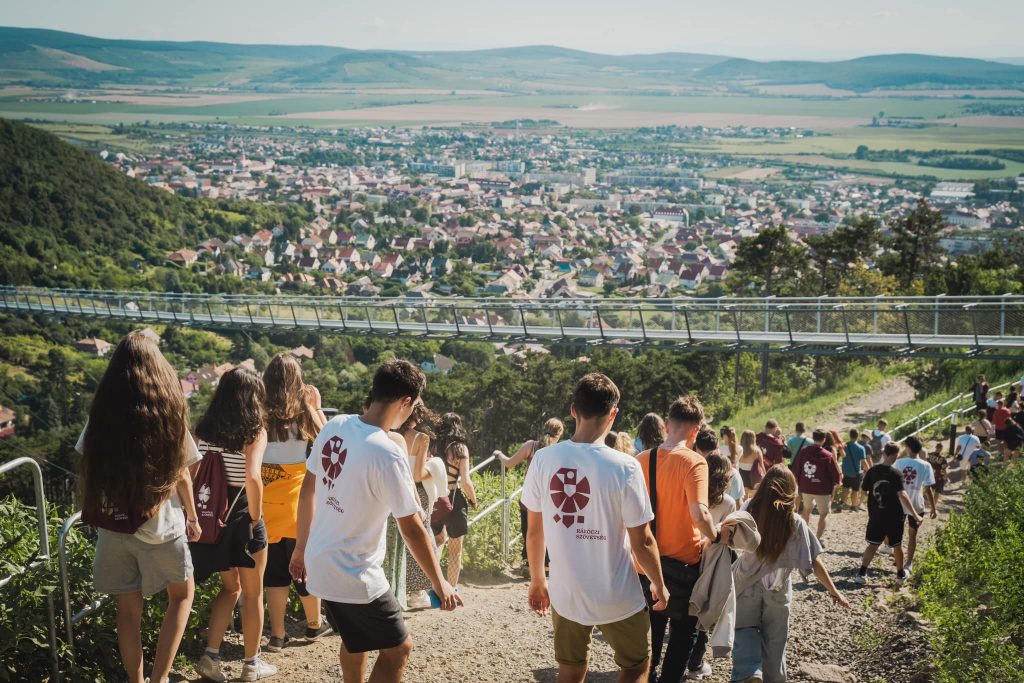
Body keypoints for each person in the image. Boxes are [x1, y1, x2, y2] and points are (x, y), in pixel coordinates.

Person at [289, 359, 461, 683]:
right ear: (405, 402)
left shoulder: (334, 426)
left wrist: (300, 548)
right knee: (399, 648)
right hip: (355, 572)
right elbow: (411, 528)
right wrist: (441, 583)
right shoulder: (386, 451)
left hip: (320, 562)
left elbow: (308, 490)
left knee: (355, 641)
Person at [522, 373, 669, 683]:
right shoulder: (626, 466)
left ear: (573, 410)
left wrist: (538, 579)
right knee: (637, 665)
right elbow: (642, 541)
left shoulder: (543, 460)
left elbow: (535, 532)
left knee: (571, 669)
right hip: (618, 594)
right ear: (612, 414)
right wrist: (658, 582)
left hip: (567, 593)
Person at [76, 331, 201, 683]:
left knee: (127, 612)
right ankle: (160, 678)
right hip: (162, 528)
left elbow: (86, 459)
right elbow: (183, 475)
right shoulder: (167, 415)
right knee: (182, 595)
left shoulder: (101, 417)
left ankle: (136, 680)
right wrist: (192, 516)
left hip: (114, 527)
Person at [636, 396, 733, 683]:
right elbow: (700, 514)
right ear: (696, 429)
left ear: (667, 425)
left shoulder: (641, 460)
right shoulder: (695, 462)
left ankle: (647, 676)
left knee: (650, 628)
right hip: (683, 564)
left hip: (645, 561)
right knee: (683, 630)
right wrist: (716, 534)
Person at [190, 368, 274, 681]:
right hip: (241, 516)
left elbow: (192, 469)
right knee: (253, 594)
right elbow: (252, 477)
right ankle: (251, 664)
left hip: (210, 515)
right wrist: (256, 520)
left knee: (230, 587)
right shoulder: (254, 430)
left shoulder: (204, 427)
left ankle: (210, 657)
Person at [732, 466, 849, 683]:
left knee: (744, 630)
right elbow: (814, 561)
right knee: (775, 643)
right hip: (777, 589)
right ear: (790, 492)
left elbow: (729, 537)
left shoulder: (749, 508)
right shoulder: (795, 522)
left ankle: (749, 673)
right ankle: (773, 678)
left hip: (747, 584)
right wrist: (834, 592)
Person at [260, 354, 331, 652]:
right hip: (298, 502)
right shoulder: (303, 412)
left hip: (264, 502)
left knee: (274, 572)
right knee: (303, 565)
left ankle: (277, 635)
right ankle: (314, 624)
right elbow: (328, 438)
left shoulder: (258, 411)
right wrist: (315, 407)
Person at [685, 451, 737, 681]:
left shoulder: (693, 494)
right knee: (705, 611)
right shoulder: (728, 503)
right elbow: (731, 536)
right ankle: (695, 664)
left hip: (689, 553)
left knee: (685, 611)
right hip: (713, 561)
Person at [499, 417, 565, 567]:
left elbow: (509, 463)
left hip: (530, 497)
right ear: (559, 433)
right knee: (550, 530)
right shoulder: (560, 451)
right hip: (552, 498)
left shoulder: (531, 446)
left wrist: (498, 455)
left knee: (529, 530)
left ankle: (529, 562)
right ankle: (547, 564)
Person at [855, 443, 922, 585]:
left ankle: (861, 573)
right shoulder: (896, 474)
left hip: (876, 516)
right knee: (897, 545)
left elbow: (864, 490)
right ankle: (900, 575)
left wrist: (873, 503)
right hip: (894, 517)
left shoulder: (872, 471)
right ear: (896, 456)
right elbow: (902, 494)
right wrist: (915, 515)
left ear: (884, 453)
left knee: (872, 545)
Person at [397, 402, 439, 609]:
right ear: (419, 415)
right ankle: (417, 592)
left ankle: (398, 588)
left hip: (393, 491)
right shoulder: (421, 438)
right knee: (420, 537)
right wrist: (435, 470)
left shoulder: (391, 434)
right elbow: (417, 474)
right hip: (416, 492)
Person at [433, 412, 479, 589]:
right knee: (455, 550)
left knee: (437, 542)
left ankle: (433, 586)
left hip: (435, 499)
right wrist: (473, 501)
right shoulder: (460, 448)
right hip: (453, 500)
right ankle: (451, 590)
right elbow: (466, 481)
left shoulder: (434, 445)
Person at [892, 436, 937, 575]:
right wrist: (933, 508)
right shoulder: (926, 465)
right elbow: (928, 489)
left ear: (909, 448)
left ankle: (898, 557)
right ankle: (908, 563)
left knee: (896, 533)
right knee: (912, 535)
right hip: (917, 503)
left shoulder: (899, 462)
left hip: (899, 501)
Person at [790, 429, 841, 544]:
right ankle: (817, 538)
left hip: (806, 487)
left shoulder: (803, 451)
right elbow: (834, 473)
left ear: (813, 438)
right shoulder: (827, 455)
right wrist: (836, 483)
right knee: (823, 514)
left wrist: (797, 482)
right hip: (822, 489)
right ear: (824, 440)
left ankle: (802, 536)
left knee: (806, 510)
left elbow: (796, 468)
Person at [696, 428, 744, 508]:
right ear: (718, 448)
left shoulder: (693, 473)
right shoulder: (732, 473)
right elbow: (738, 505)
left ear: (698, 450)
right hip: (727, 519)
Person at [840, 428, 869, 511]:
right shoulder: (861, 448)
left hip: (846, 472)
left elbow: (843, 456)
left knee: (845, 488)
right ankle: (853, 506)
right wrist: (868, 470)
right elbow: (864, 462)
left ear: (850, 435)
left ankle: (842, 504)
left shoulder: (844, 446)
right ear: (858, 436)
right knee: (855, 490)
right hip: (856, 473)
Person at [738, 430, 765, 498]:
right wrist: (765, 475)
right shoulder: (757, 451)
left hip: (742, 476)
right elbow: (762, 465)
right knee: (753, 499)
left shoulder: (738, 450)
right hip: (754, 477)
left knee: (744, 498)